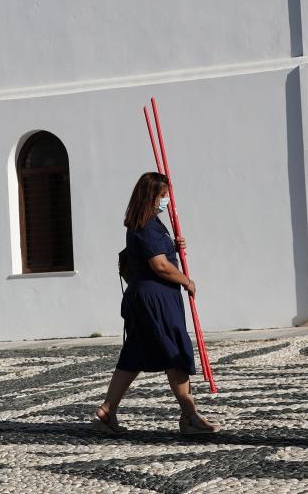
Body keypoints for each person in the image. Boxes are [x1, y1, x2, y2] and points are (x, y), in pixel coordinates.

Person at [92, 172, 220, 436]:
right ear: (151, 196)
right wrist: (186, 280)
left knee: (134, 354)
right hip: (156, 299)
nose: (167, 200)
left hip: (144, 297)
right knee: (175, 353)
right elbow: (159, 265)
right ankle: (190, 417)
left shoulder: (148, 223)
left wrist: (174, 245)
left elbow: (158, 254)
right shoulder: (147, 225)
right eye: (163, 196)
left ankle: (107, 410)